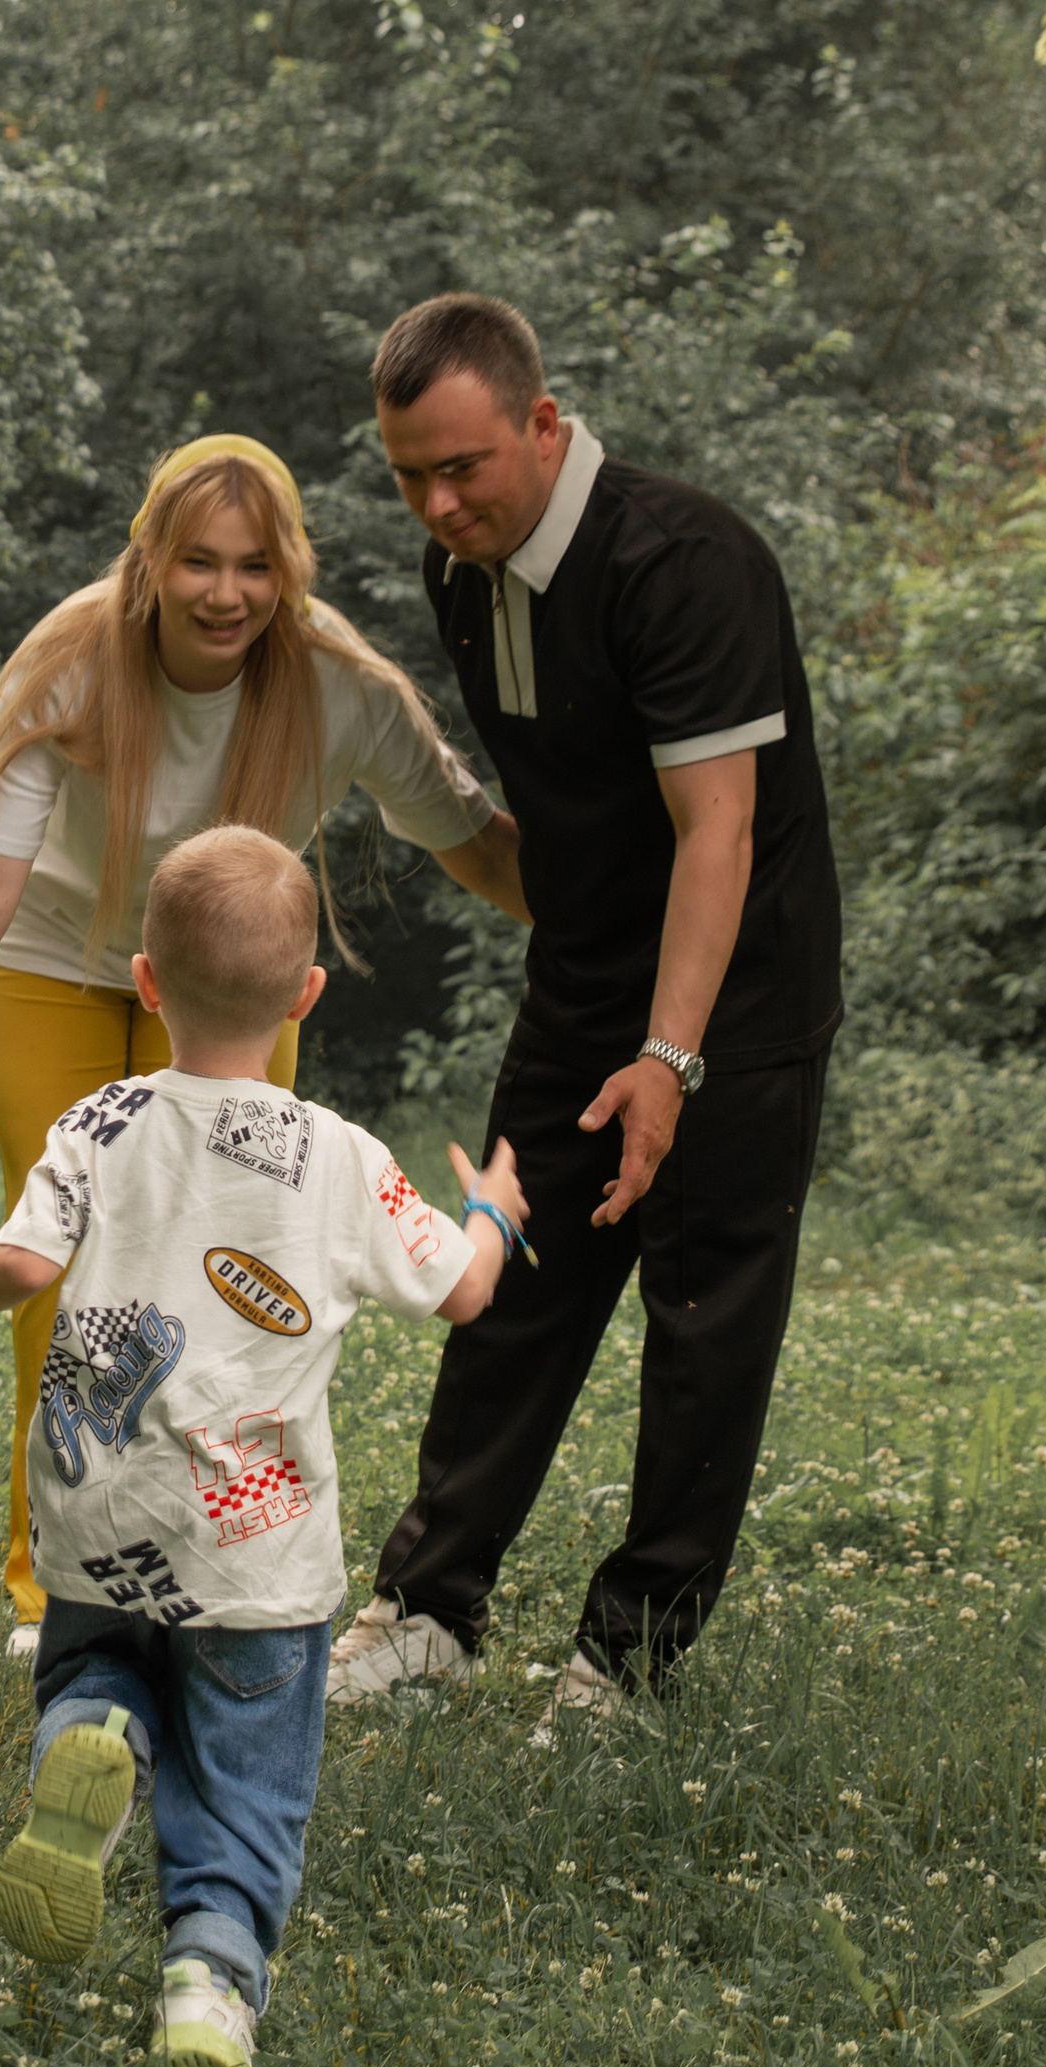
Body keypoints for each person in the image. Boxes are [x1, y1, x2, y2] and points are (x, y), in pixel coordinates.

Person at [0, 434, 525, 1659]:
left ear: (289, 571)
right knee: (66, 1262)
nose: (226, 593)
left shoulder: (340, 685)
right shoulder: (68, 665)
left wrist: (634, 933)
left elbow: (476, 839)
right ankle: (58, 1591)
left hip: (227, 988)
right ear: (148, 562)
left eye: (254, 566)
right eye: (197, 562)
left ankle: (205, 1564)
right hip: (49, 962)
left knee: (238, 1271)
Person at [0, 828, 529, 2067]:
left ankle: (95, 1732)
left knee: (99, 1662)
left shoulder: (100, 1119)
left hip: (96, 1514)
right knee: (246, 1783)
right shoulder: (340, 1154)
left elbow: (20, 1264)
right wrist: (494, 1211)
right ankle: (208, 1985)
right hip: (255, 1553)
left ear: (145, 982)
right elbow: (463, 1293)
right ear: (306, 996)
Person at [328, 294, 842, 1710]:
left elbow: (716, 830)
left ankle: (626, 1658)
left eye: (463, 467)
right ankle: (426, 1613)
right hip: (583, 984)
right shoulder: (462, 575)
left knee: (702, 1324)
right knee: (507, 1286)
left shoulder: (684, 563)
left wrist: (669, 1057)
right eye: (409, 477)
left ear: (543, 425)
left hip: (735, 997)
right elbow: (563, 818)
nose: (438, 505)